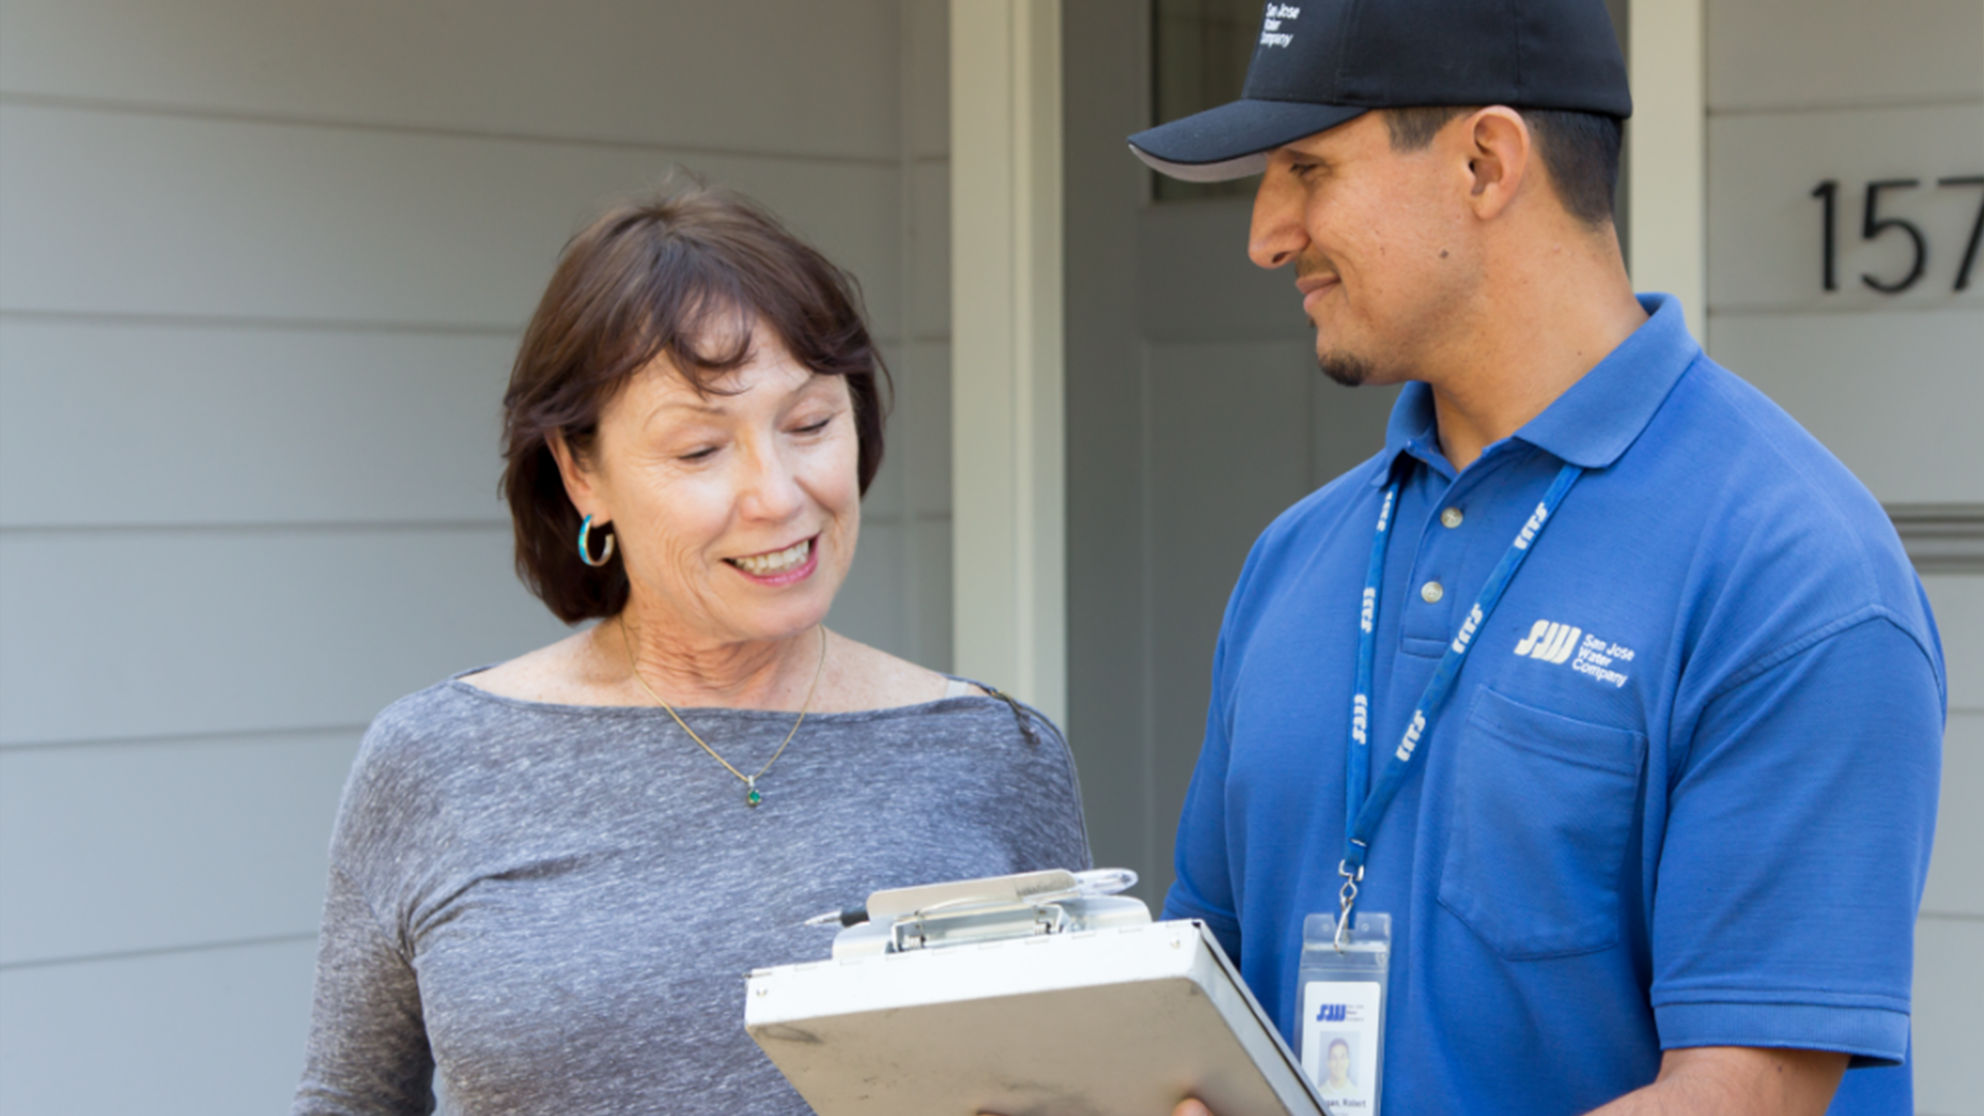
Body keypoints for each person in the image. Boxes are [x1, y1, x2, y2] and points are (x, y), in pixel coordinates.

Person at [1124, 1, 1943, 1113]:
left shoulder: (1791, 572)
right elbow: (1199, 1004)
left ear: (1484, 160)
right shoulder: (1294, 558)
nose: (1266, 234)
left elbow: (1745, 1094)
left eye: (1307, 168)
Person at [290, 185, 1091, 1115]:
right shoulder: (434, 760)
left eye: (809, 425)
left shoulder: (994, 755)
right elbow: (346, 1100)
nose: (776, 496)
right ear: (580, 471)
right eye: (701, 449)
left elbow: (1074, 1088)